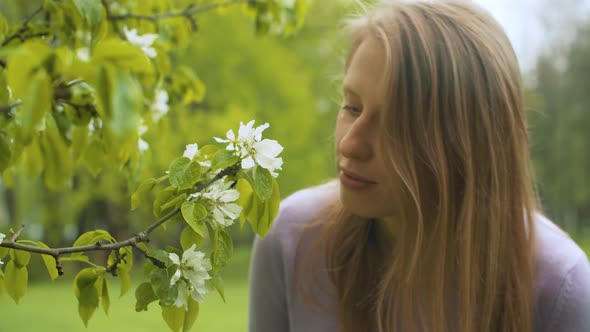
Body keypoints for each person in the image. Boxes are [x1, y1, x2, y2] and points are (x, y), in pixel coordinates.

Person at [248, 1, 590, 331]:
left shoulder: (559, 286)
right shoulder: (292, 238)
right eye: (352, 107)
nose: (350, 144)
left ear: (467, 144)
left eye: (395, 126)